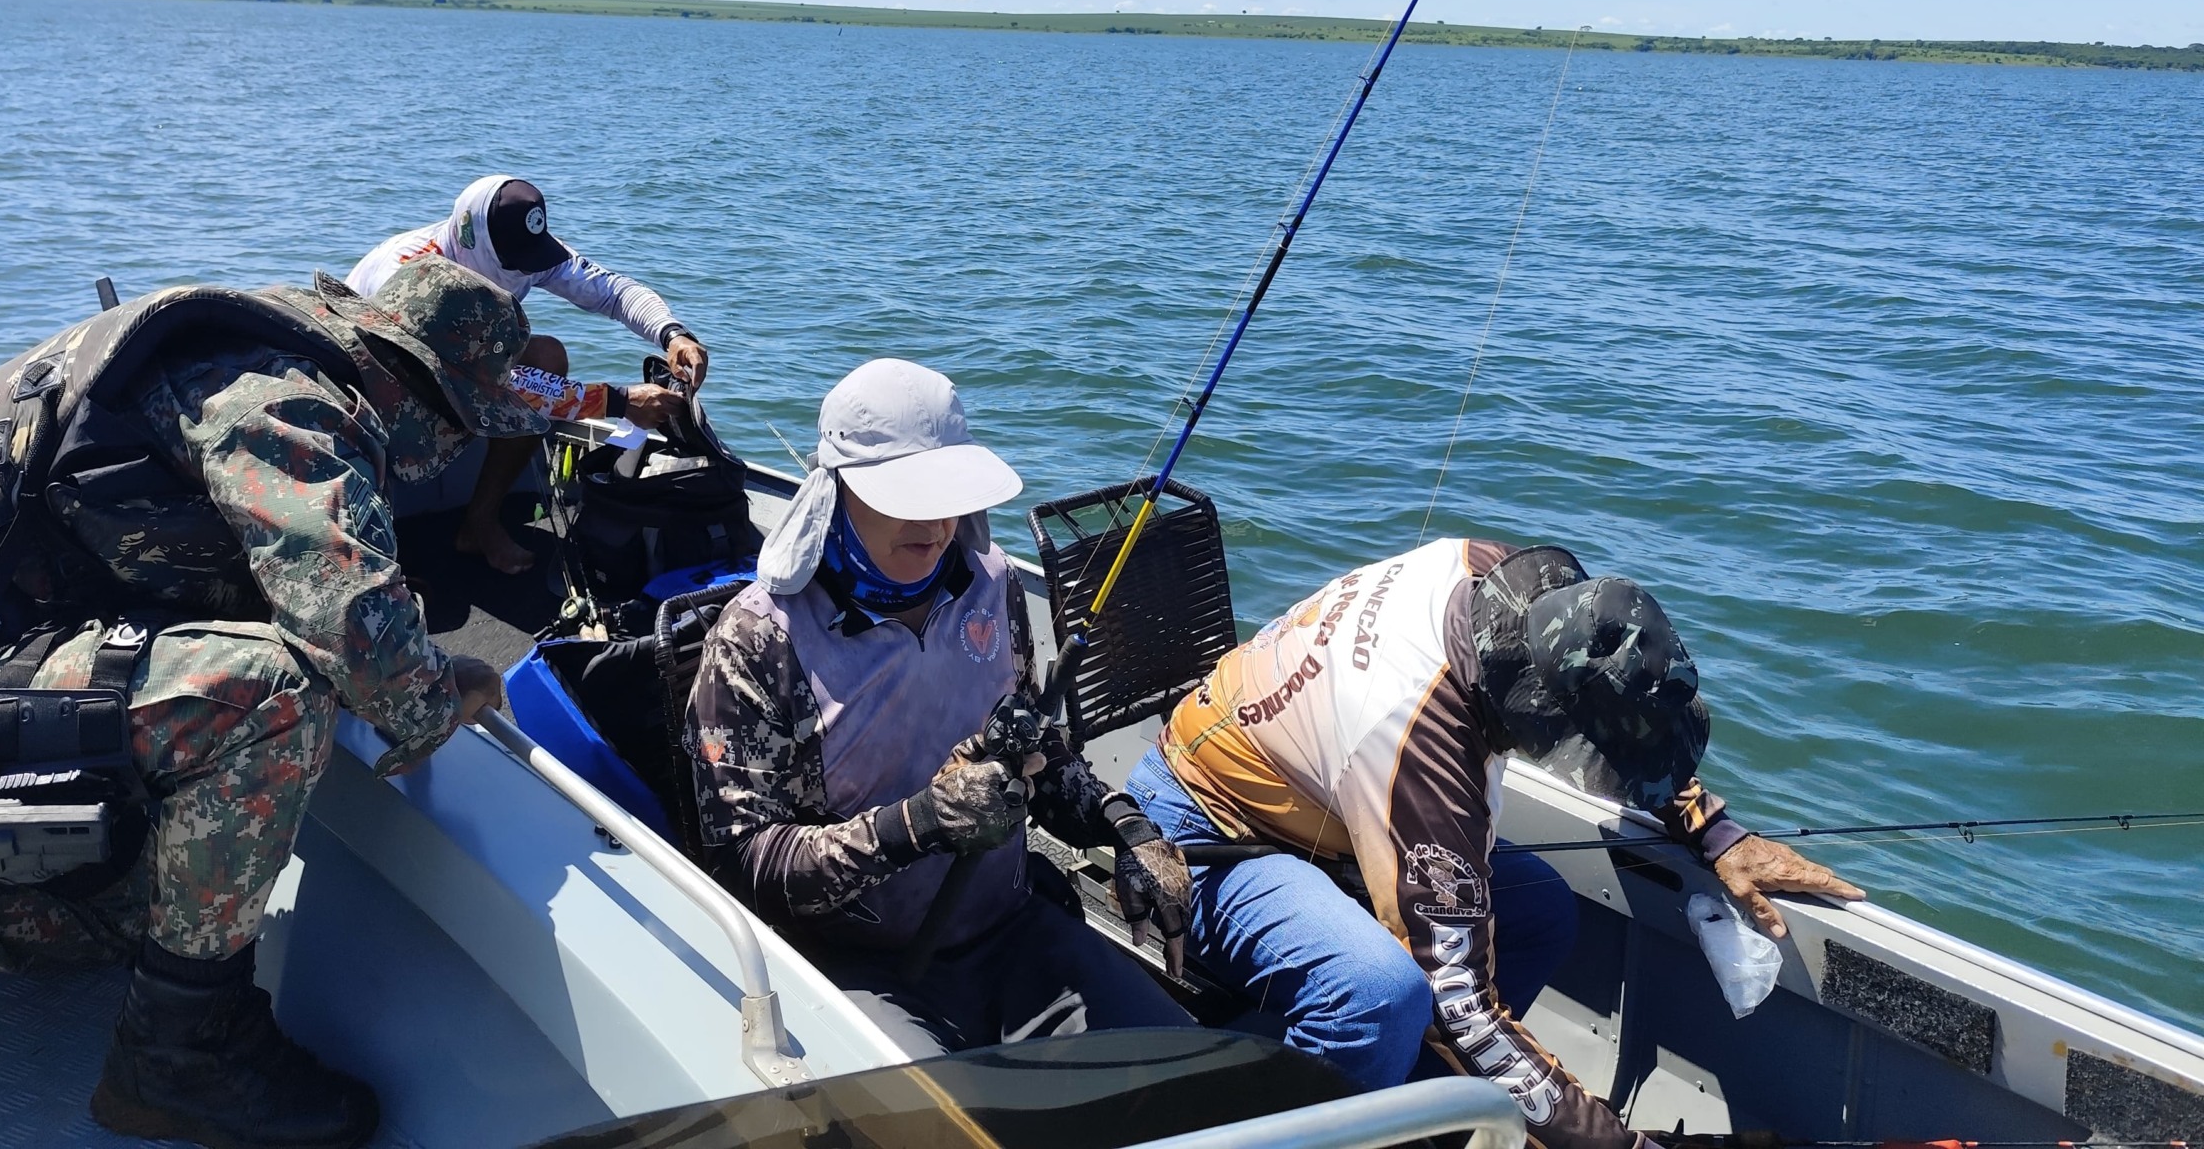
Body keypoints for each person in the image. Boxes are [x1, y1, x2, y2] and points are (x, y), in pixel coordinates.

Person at [0, 258, 540, 1149]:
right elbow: (355, 633)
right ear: (419, 387)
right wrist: (439, 694)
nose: (452, 452)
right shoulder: (281, 399)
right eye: (461, 426)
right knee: (270, 698)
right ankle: (185, 1051)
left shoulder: (251, 357)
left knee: (159, 899)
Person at [1122, 538, 1864, 1149]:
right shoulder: (1421, 752)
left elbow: (1608, 696)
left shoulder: (1516, 587)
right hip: (1204, 830)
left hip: (1322, 807)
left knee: (1542, 911)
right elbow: (1461, 1005)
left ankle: (1422, 1112)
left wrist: (1715, 830)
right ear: (1539, 716)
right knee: (1378, 996)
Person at [686, 358, 1194, 1056]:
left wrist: (1125, 826)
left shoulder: (994, 586)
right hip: (859, 963)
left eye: (948, 494)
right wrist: (916, 825)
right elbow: (749, 864)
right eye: (905, 497)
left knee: (1181, 1063)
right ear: (836, 490)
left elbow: (1032, 756)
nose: (936, 523)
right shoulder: (757, 639)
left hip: (1008, 928)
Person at [350, 174, 703, 572]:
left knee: (546, 357)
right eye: (515, 261)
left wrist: (671, 333)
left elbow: (611, 291)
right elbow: (494, 388)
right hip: (377, 388)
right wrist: (618, 401)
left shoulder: (526, 248)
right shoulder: (410, 275)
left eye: (531, 256)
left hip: (461, 370)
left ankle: (478, 522)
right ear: (474, 241)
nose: (525, 271)